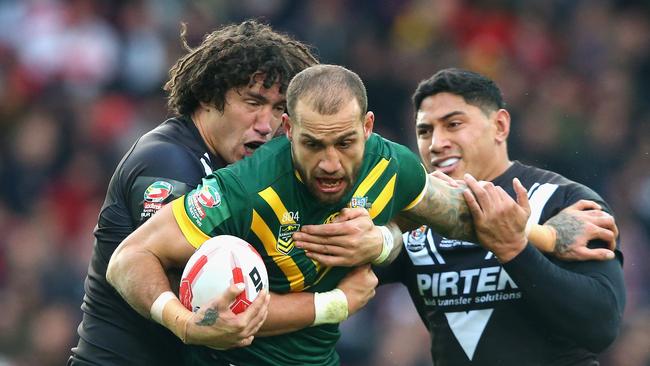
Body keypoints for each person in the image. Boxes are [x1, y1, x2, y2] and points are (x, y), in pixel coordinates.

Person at [106, 64, 597, 365]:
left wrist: (547, 235)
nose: (329, 163)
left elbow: (461, 214)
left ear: (368, 127)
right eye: (312, 144)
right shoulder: (242, 189)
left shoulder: (392, 165)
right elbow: (129, 259)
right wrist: (186, 324)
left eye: (344, 143)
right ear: (286, 129)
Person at [68, 20, 320, 365]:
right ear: (208, 95)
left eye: (278, 109)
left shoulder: (242, 174)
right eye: (253, 102)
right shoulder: (167, 161)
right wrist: (333, 303)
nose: (266, 124)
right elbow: (202, 292)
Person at [375, 68, 626, 365]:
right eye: (424, 131)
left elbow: (601, 327)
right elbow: (334, 272)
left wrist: (515, 251)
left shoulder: (563, 202)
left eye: (453, 124)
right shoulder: (416, 218)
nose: (436, 143)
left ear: (500, 126)